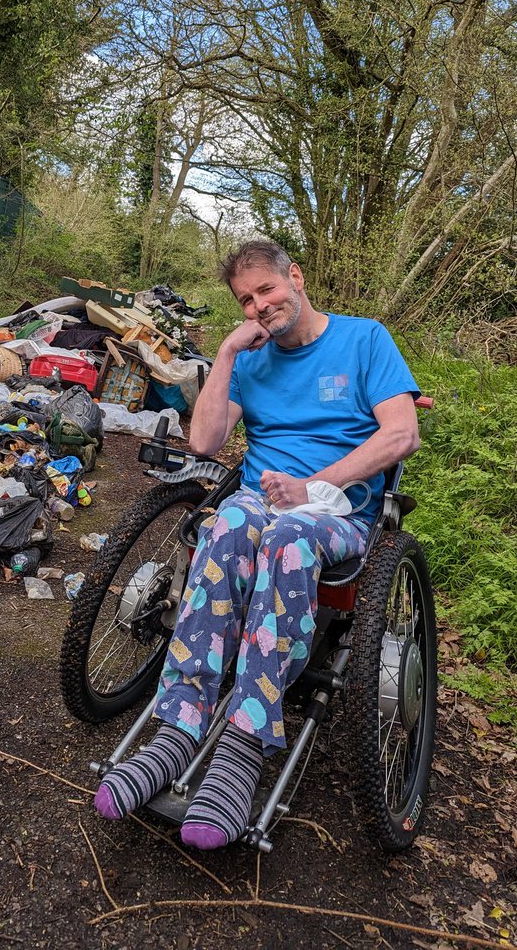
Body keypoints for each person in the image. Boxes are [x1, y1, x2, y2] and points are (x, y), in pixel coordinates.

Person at [94, 239, 420, 849]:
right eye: (246, 300)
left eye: (266, 290)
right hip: (258, 501)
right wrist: (223, 356)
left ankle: (242, 745)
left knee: (289, 541)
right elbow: (205, 444)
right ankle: (178, 731)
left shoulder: (364, 340)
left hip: (337, 509)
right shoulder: (251, 357)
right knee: (229, 525)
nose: (259, 306)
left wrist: (313, 486)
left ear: (294, 277)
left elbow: (402, 434)